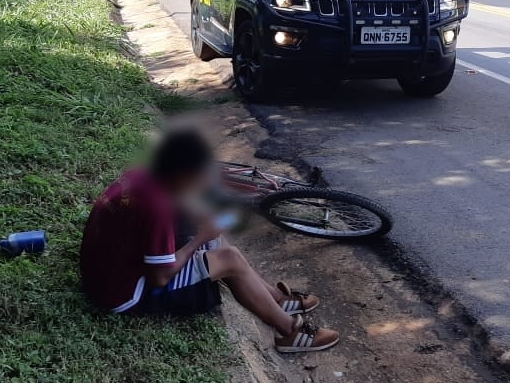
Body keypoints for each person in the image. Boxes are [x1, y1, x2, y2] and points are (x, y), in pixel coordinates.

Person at [80, 129, 339, 353]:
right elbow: (160, 277)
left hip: (108, 271)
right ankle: (288, 331)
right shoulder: (155, 207)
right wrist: (201, 237)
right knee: (228, 257)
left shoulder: (144, 176)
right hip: (126, 294)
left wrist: (203, 220)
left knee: (215, 239)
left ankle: (276, 300)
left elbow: (177, 209)